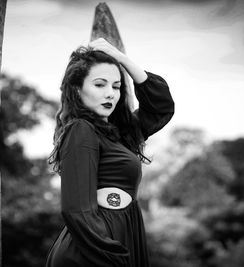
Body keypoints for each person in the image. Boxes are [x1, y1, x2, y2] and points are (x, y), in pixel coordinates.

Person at [45, 38, 174, 267]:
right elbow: (76, 209)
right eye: (99, 84)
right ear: (77, 89)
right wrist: (112, 254)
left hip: (122, 234)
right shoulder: (81, 129)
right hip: (93, 251)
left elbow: (161, 106)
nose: (110, 94)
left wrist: (122, 59)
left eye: (116, 86)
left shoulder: (123, 133)